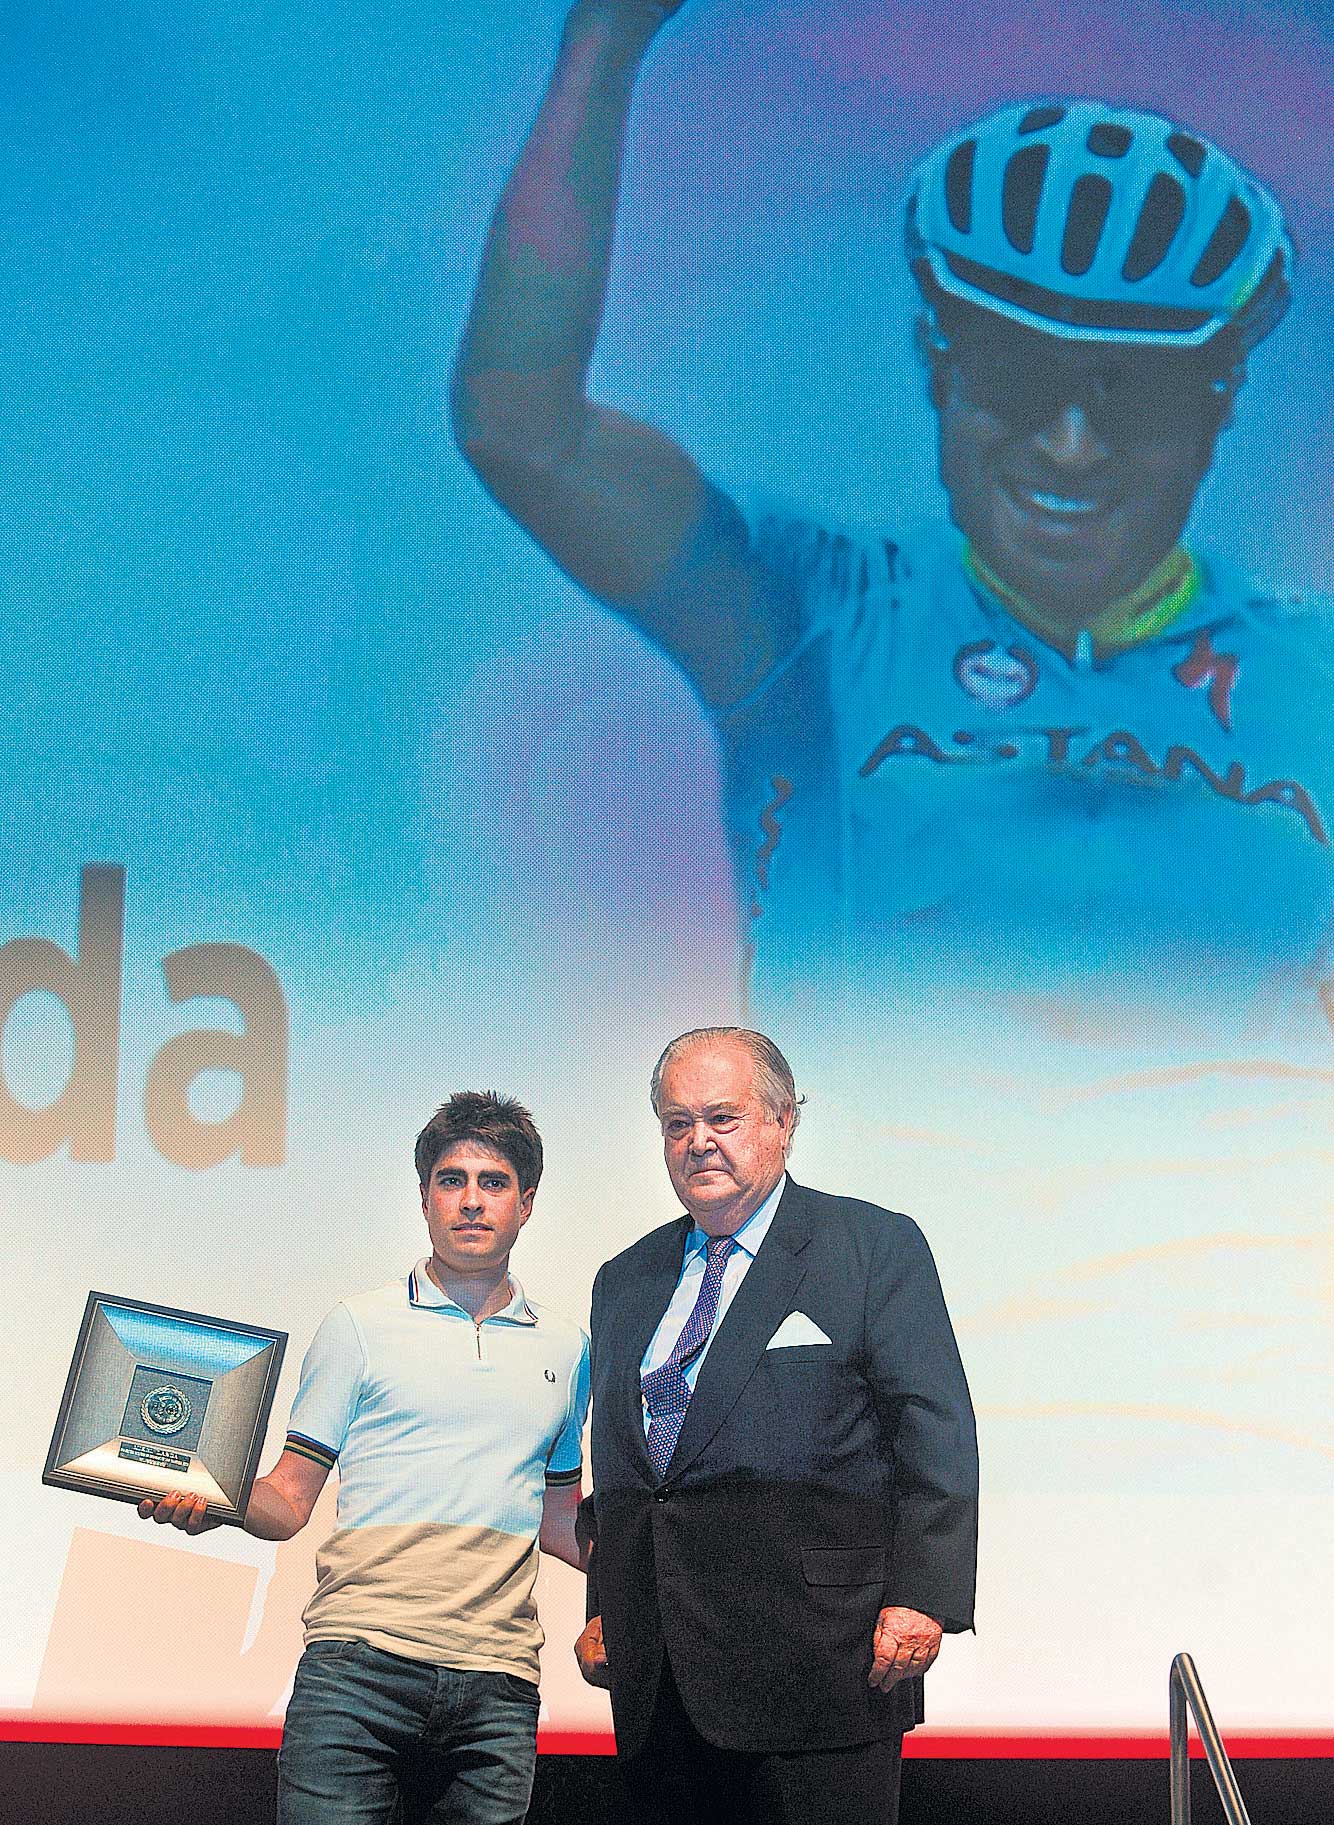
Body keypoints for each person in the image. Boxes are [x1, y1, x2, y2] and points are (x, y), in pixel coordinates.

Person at [452, 1, 1333, 1054]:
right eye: (1014, 376)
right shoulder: (812, 615)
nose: (1067, 444)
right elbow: (522, 430)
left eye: (1131, 395)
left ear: (1217, 404)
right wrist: (604, 43)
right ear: (936, 368)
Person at [138, 1092, 591, 1825]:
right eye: (452, 1180)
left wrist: (674, 1576)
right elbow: (288, 1498)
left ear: (527, 1201)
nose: (471, 1200)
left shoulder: (568, 1348)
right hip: (358, 1673)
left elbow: (560, 1518)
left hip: (499, 1682)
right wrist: (206, 1489)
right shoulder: (358, 1325)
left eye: (493, 1180)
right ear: (424, 1198)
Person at [571, 1027, 977, 1825]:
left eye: (722, 1117)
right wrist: (605, 1599)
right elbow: (629, 1467)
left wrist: (924, 1597)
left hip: (827, 1664)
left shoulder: (871, 1245)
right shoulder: (625, 1278)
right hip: (662, 1675)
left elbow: (934, 1432)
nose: (698, 1142)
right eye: (677, 1123)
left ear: (784, 1121)